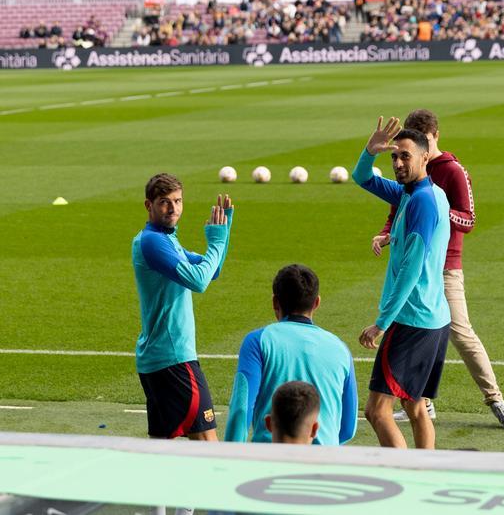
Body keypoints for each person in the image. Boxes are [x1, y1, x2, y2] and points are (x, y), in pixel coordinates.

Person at [372, 109, 504, 430]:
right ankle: (421, 402)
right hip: (415, 258)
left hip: (446, 266)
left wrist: (435, 209)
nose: (408, 154)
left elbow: (468, 220)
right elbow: (398, 207)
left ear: (434, 138)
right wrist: (389, 231)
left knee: (460, 332)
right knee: (413, 331)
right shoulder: (407, 167)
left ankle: (495, 399)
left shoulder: (452, 172)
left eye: (421, 143)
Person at [352, 117, 452, 449]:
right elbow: (362, 178)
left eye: (405, 156)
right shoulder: (420, 193)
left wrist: (382, 323)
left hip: (412, 321)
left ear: (425, 158)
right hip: (436, 319)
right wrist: (370, 150)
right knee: (414, 405)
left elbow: (412, 269)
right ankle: (426, 475)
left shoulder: (421, 200)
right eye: (394, 157)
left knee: (377, 410)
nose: (397, 163)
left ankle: (403, 476)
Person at [132, 173, 233, 440]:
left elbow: (213, 270)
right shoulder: (153, 242)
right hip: (174, 359)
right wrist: (217, 241)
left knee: (164, 451)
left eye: (177, 201)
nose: (173, 208)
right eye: (165, 202)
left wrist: (225, 229)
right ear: (148, 205)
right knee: (207, 446)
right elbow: (199, 281)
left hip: (159, 360)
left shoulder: (166, 240)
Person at [224, 264, 358, 446]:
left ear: (275, 302)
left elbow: (241, 408)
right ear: (316, 302)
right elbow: (348, 428)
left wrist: (232, 454)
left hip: (269, 458)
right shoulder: (341, 348)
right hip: (325, 461)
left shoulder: (257, 341)